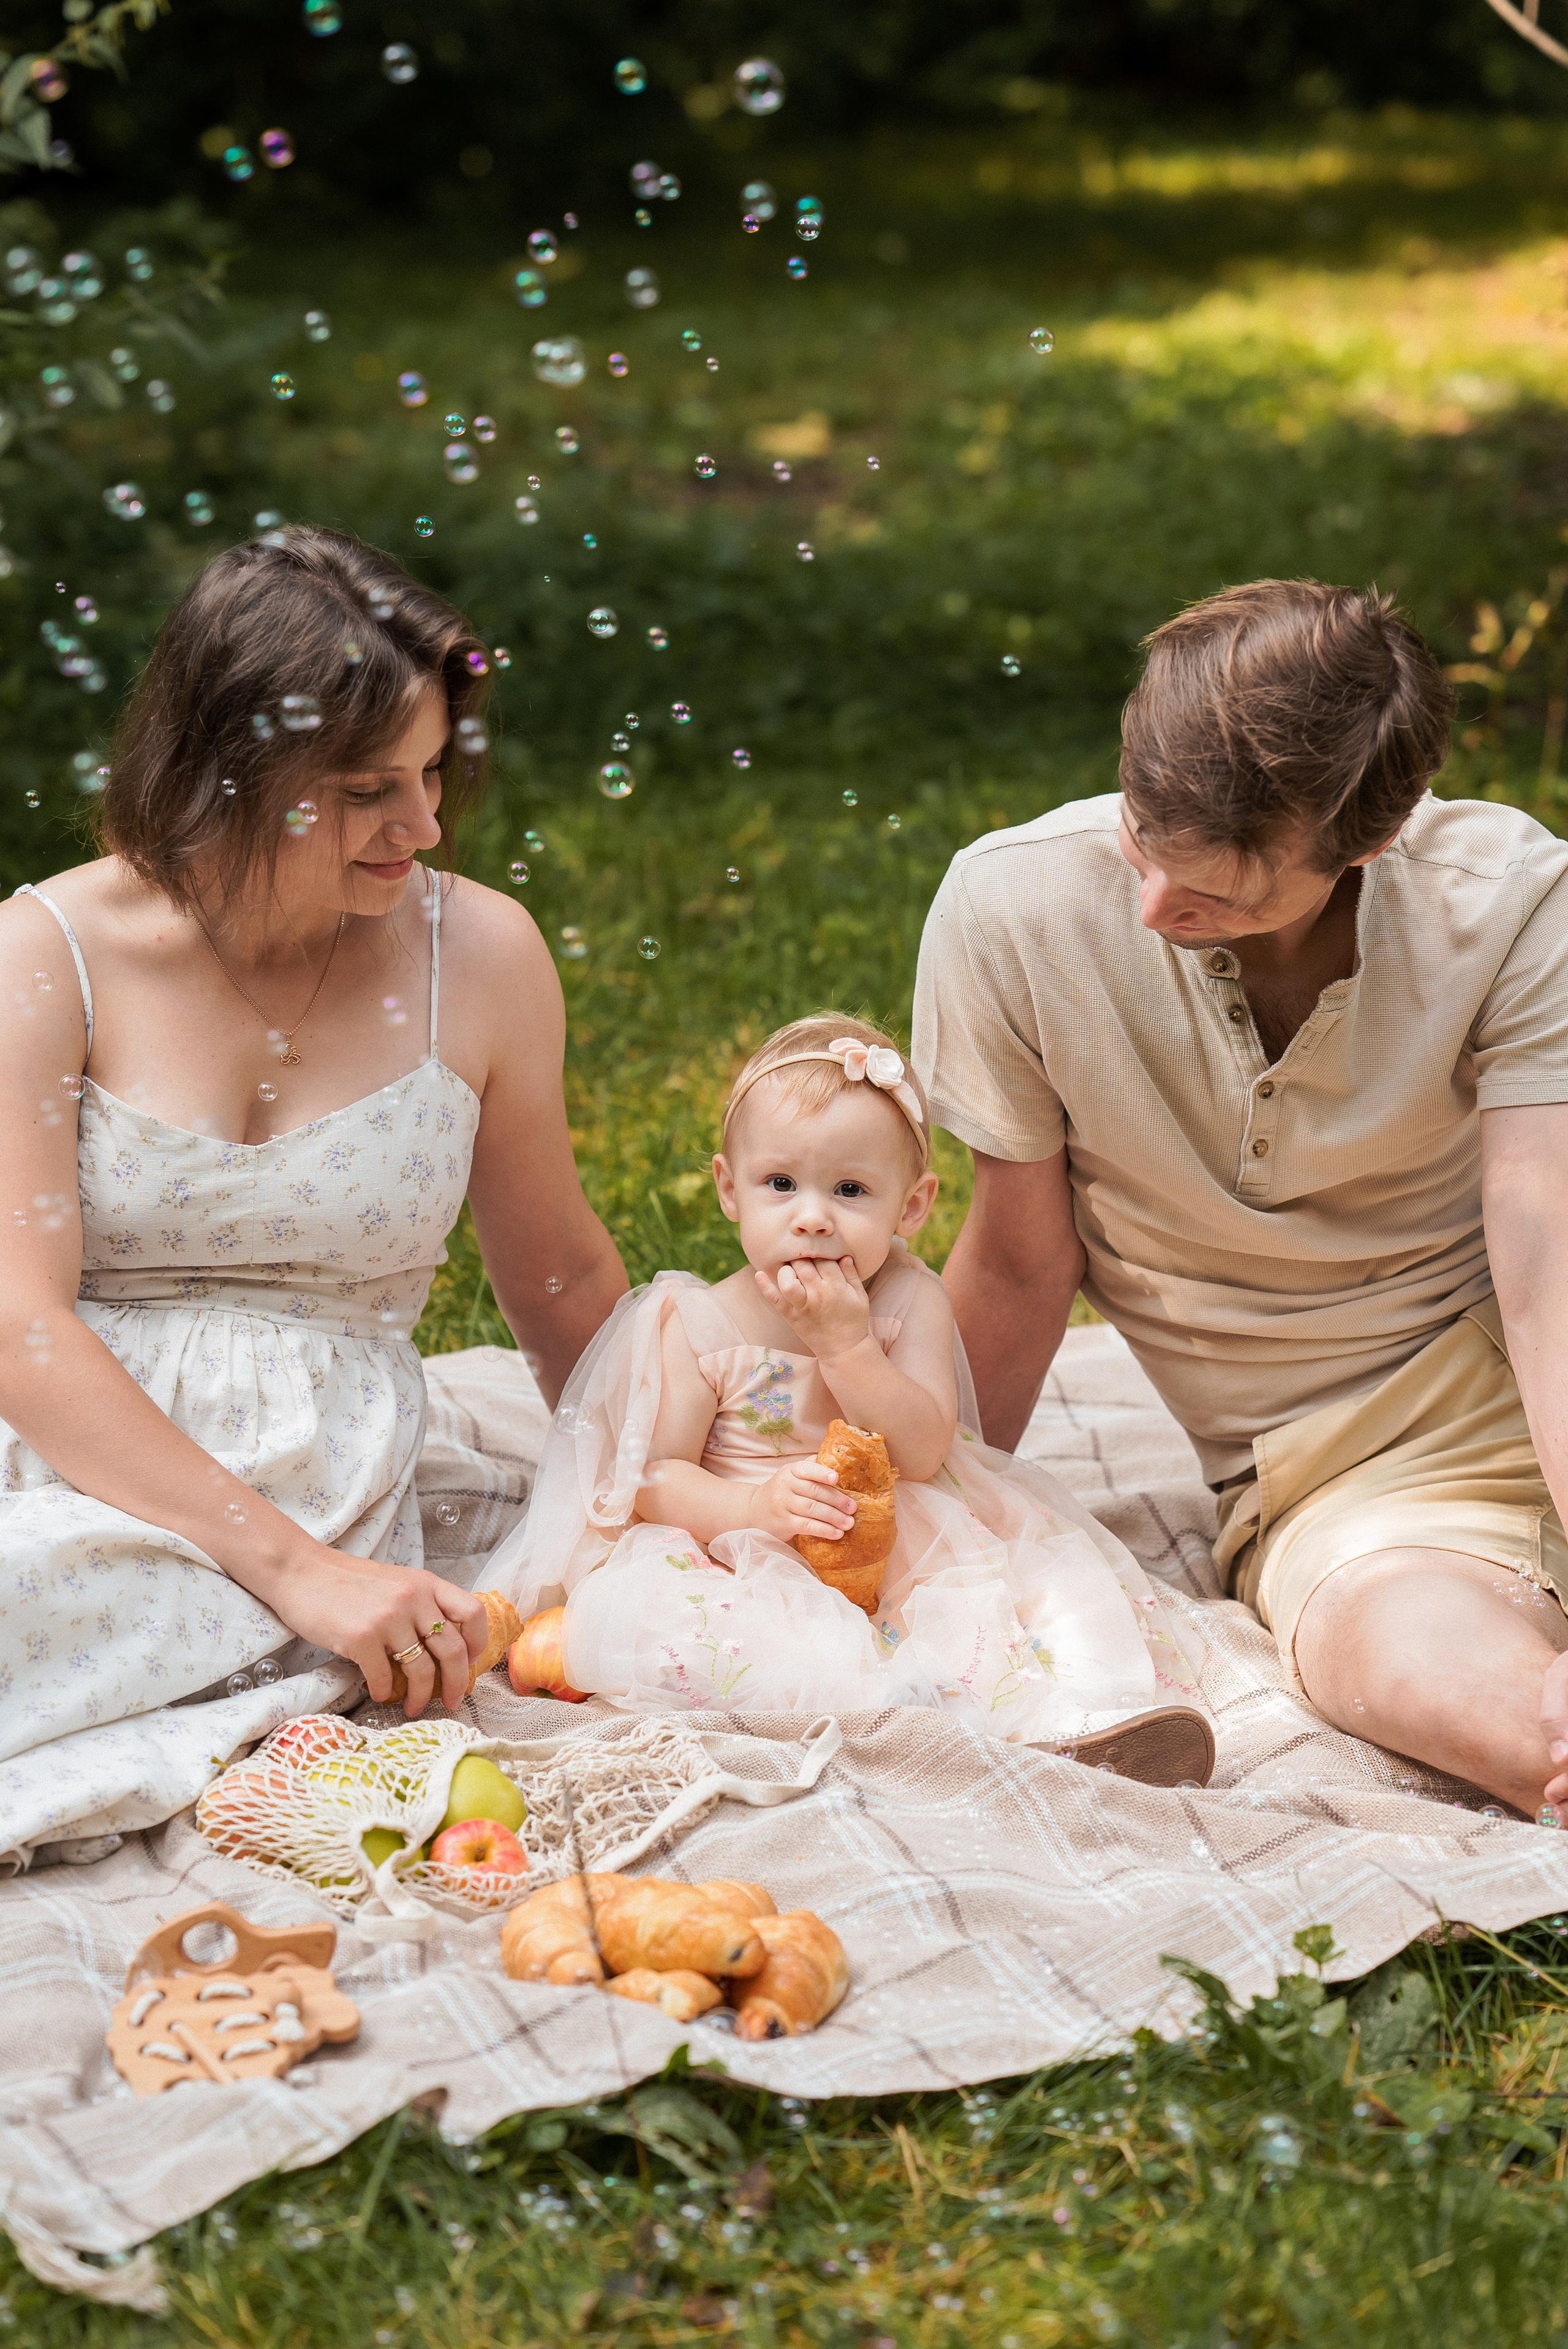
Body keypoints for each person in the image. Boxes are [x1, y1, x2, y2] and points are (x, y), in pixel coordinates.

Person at [0, 526, 627, 1866]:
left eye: (430, 772)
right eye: (361, 791)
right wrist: (297, 1573)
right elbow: (20, 1324)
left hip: (330, 1465)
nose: (423, 826)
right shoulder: (47, 958)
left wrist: (674, 1476)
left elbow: (561, 1281)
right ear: (225, 774)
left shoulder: (484, 956)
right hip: (76, 1450)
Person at [913, 575, 1568, 1819]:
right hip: (1358, 1481)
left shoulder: (1515, 902)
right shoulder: (1008, 914)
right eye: (1139, 835)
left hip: (1535, 1340)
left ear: (1366, 842)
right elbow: (1014, 1268)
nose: (1154, 907)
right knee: (1422, 1680)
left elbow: (1546, 1264)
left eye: (1217, 891)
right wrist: (922, 1530)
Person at [486, 1014, 1213, 1781]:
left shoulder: (907, 1298)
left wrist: (848, 1347)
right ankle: (915, 1714)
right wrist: (752, 1509)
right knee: (717, 1635)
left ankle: (1089, 1717)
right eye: (780, 1184)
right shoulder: (699, 1322)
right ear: (730, 1190)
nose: (812, 1215)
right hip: (748, 1548)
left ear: (912, 1207)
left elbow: (926, 1450)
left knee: (1035, 1590)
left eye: (850, 1190)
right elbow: (655, 1480)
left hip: (903, 1538)